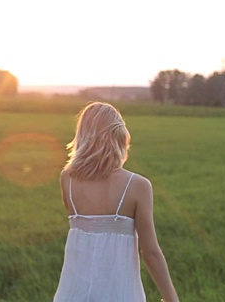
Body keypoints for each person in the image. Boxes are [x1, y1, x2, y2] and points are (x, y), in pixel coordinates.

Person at [53, 101, 179, 302]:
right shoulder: (138, 185)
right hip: (121, 294)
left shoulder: (67, 179)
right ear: (119, 136)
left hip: (72, 294)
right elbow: (151, 254)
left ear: (83, 136)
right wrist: (172, 299)